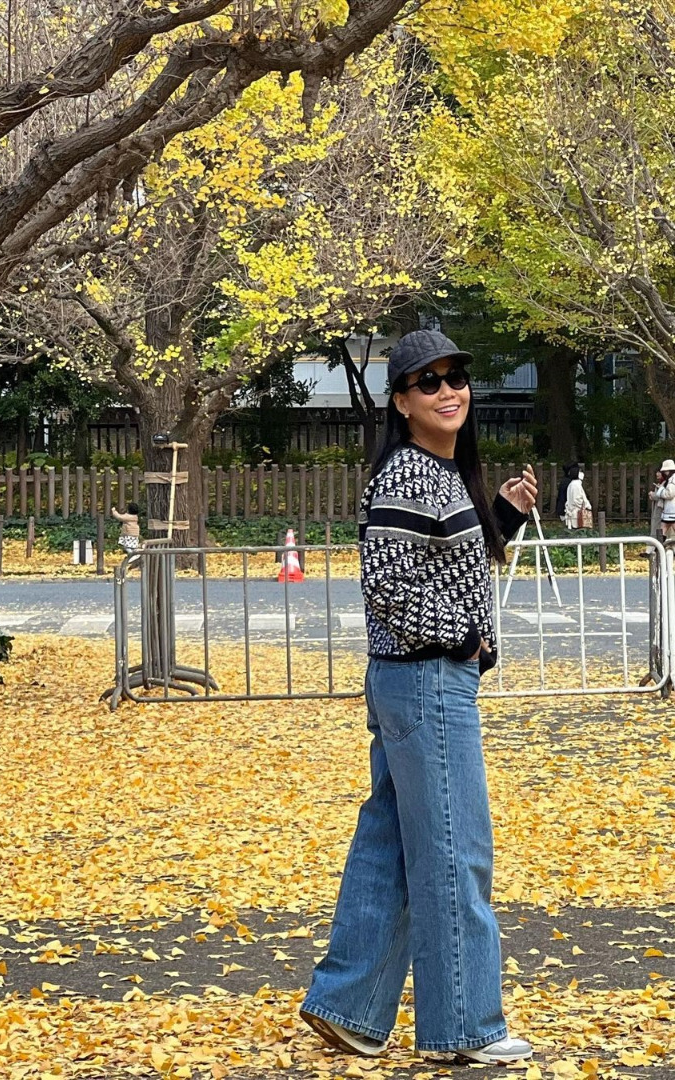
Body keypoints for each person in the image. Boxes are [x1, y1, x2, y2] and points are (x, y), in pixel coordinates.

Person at [300, 329, 536, 1066]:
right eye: (427, 382)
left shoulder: (439, 473)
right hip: (427, 680)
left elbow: (444, 566)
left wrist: (501, 516)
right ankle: (465, 1026)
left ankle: (349, 1008)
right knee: (456, 851)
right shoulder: (408, 474)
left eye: (454, 377)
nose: (447, 391)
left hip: (417, 680)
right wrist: (463, 638)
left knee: (394, 848)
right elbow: (390, 589)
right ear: (401, 402)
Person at [564, 465, 592, 530]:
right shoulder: (576, 485)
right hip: (577, 513)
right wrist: (586, 506)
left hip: (573, 512)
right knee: (579, 529)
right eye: (580, 472)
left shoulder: (572, 484)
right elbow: (577, 499)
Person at [656, 459, 675, 539]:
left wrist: (661, 490)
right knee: (663, 528)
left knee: (663, 528)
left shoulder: (673, 480)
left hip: (672, 511)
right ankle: (658, 545)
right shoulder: (671, 479)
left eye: (665, 471)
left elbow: (670, 494)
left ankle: (658, 545)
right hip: (669, 511)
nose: (664, 473)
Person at [648, 469, 665, 544]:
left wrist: (652, 494)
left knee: (658, 525)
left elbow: (660, 495)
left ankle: (657, 542)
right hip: (658, 507)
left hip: (661, 508)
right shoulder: (661, 483)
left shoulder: (665, 483)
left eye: (659, 473)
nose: (657, 474)